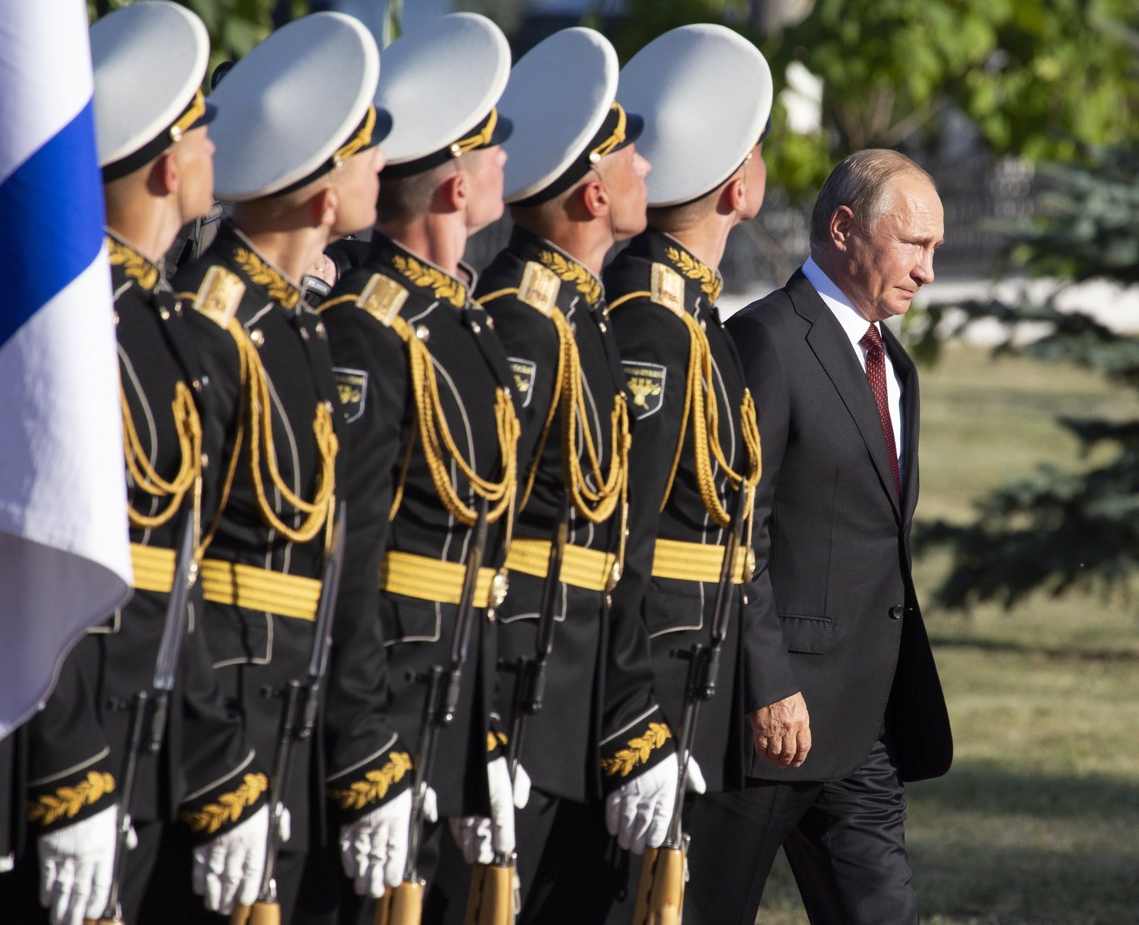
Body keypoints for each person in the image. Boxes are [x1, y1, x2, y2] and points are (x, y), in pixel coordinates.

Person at [0, 6, 275, 924]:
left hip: (141, 752)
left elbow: (175, 571)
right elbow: (35, 552)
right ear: (167, 166)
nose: (217, 153)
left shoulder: (160, 323)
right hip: (65, 755)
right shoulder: (77, 326)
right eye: (200, 133)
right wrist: (68, 769)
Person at [457, 26, 686, 924]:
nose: (644, 165)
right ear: (595, 192)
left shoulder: (582, 316)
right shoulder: (521, 322)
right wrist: (491, 725)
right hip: (526, 697)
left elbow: (609, 541)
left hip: (582, 687)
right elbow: (485, 537)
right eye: (627, 153)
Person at [168, 12, 391, 922]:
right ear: (326, 200)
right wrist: (219, 771)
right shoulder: (213, 333)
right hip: (219, 735)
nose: (386, 165)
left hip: (291, 732)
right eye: (365, 154)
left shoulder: (298, 330)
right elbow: (171, 577)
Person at [698, 148, 952, 923]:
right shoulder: (766, 341)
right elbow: (737, 532)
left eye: (936, 250)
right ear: (844, 228)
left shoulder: (895, 367)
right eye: (914, 243)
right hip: (762, 729)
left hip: (861, 728)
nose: (928, 270)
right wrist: (767, 684)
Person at [308, 13, 521, 922]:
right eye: (493, 152)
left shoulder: (461, 322)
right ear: (456, 187)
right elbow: (351, 556)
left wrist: (485, 738)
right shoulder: (372, 328)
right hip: (386, 700)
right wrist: (362, 747)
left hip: (449, 701)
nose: (512, 165)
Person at [599, 23, 813, 922]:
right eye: (756, 147)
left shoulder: (692, 313)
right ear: (740, 187)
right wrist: (634, 724)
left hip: (702, 678)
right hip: (658, 683)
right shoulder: (654, 321)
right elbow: (624, 542)